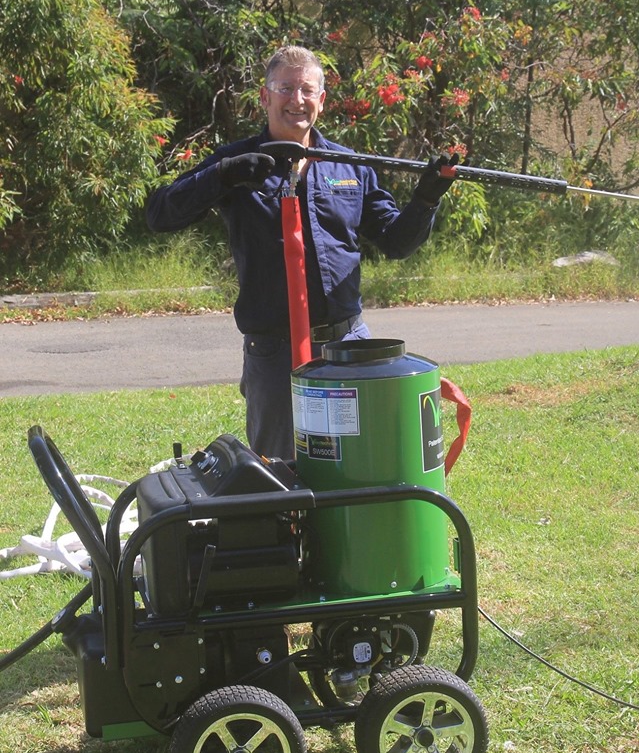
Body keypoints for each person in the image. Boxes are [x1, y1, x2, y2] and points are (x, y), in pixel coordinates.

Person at [146, 45, 456, 459]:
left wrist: (426, 199)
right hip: (274, 353)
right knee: (280, 473)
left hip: (348, 344)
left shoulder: (350, 166)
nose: (297, 100)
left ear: (322, 100)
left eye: (307, 90)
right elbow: (160, 213)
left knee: (363, 460)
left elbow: (396, 242)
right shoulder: (236, 163)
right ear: (265, 97)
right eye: (285, 88)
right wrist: (221, 177)